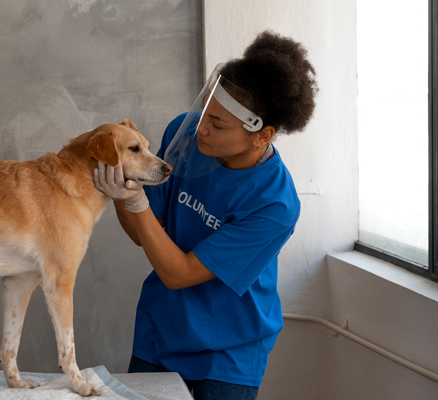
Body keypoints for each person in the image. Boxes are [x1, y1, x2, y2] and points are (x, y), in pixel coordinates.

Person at [94, 31, 317, 399]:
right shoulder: (185, 135)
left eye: (218, 124)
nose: (201, 128)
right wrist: (123, 188)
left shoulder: (275, 204)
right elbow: (143, 233)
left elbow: (178, 273)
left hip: (231, 348)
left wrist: (135, 203)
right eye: (206, 112)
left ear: (261, 136)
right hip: (162, 329)